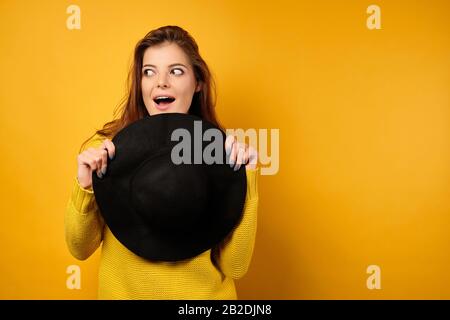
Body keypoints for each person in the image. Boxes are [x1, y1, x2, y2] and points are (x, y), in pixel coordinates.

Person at [65, 25, 259, 299]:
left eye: (176, 71)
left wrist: (246, 177)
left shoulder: (222, 153)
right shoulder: (107, 150)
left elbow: (235, 266)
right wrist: (85, 185)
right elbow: (79, 249)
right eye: (149, 72)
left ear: (198, 82)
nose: (161, 82)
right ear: (140, 83)